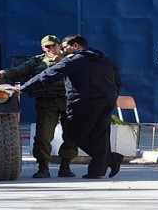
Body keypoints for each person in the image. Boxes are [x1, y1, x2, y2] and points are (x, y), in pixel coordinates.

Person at [20, 35, 123, 179]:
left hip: (84, 103)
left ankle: (111, 159)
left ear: (75, 46)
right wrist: (112, 95)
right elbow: (118, 80)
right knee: (100, 136)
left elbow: (49, 74)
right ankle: (96, 171)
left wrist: (23, 88)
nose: (63, 50)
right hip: (107, 101)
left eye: (65, 47)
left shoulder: (74, 60)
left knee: (74, 134)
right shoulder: (105, 59)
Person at [0, 35, 77, 178]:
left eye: (54, 46)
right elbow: (19, 71)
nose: (51, 49)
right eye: (47, 47)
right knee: (43, 136)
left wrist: (59, 60)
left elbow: (78, 73)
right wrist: (3, 73)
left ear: (59, 46)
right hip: (46, 102)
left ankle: (66, 165)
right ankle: (43, 166)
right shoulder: (37, 61)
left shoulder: (70, 59)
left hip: (68, 101)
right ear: (42, 48)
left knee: (72, 135)